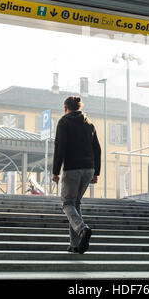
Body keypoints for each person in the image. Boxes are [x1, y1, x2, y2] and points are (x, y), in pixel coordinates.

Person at [52, 95, 101, 255]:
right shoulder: (89, 123)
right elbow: (97, 149)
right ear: (79, 108)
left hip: (72, 168)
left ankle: (82, 229)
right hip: (89, 169)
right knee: (75, 203)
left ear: (65, 108)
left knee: (67, 203)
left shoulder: (64, 122)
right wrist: (97, 172)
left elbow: (60, 147)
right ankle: (75, 244)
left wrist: (55, 171)